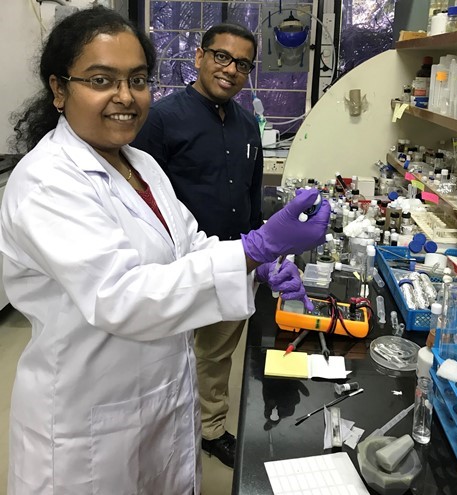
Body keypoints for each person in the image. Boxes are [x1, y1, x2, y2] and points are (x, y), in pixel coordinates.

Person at [0, 6, 330, 495]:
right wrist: (255, 247)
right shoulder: (47, 181)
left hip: (157, 398)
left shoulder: (139, 165)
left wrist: (255, 266)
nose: (125, 97)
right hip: (89, 417)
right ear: (59, 88)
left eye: (138, 80)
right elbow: (122, 296)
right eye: (100, 79)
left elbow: (188, 244)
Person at [131, 22, 263, 468]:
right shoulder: (161, 118)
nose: (230, 70)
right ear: (200, 57)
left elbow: (252, 192)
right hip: (178, 267)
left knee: (217, 355)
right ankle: (165, 431)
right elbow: (139, 197)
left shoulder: (248, 125)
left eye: (242, 64)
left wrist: (261, 252)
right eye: (222, 57)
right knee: (170, 356)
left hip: (234, 259)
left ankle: (211, 428)